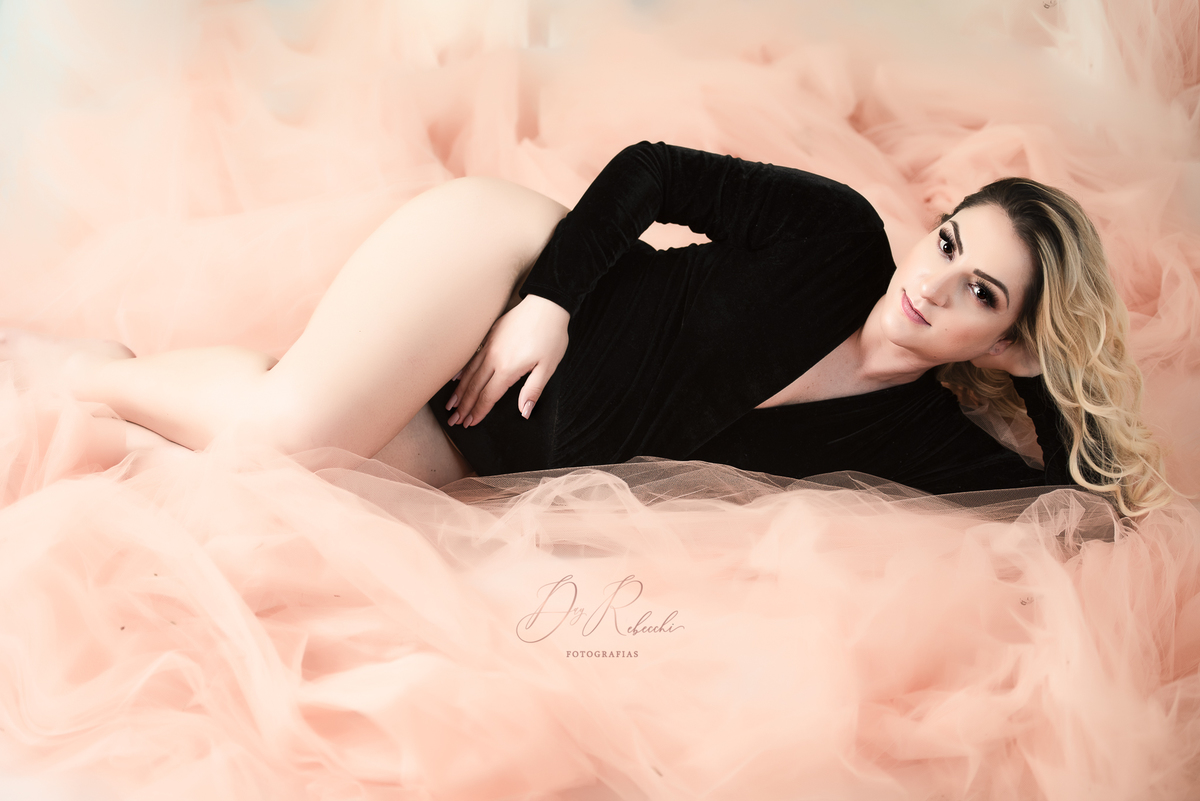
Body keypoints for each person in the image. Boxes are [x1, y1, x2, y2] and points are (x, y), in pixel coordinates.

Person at [2, 141, 1171, 516]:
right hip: (502, 271)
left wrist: (1056, 372)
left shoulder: (915, 435)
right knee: (285, 440)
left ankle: (138, 378)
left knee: (297, 493)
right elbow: (651, 170)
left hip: (495, 440)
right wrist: (549, 302)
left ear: (1010, 345)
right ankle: (91, 380)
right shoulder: (839, 237)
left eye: (982, 295)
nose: (936, 281)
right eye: (952, 242)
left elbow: (1073, 498)